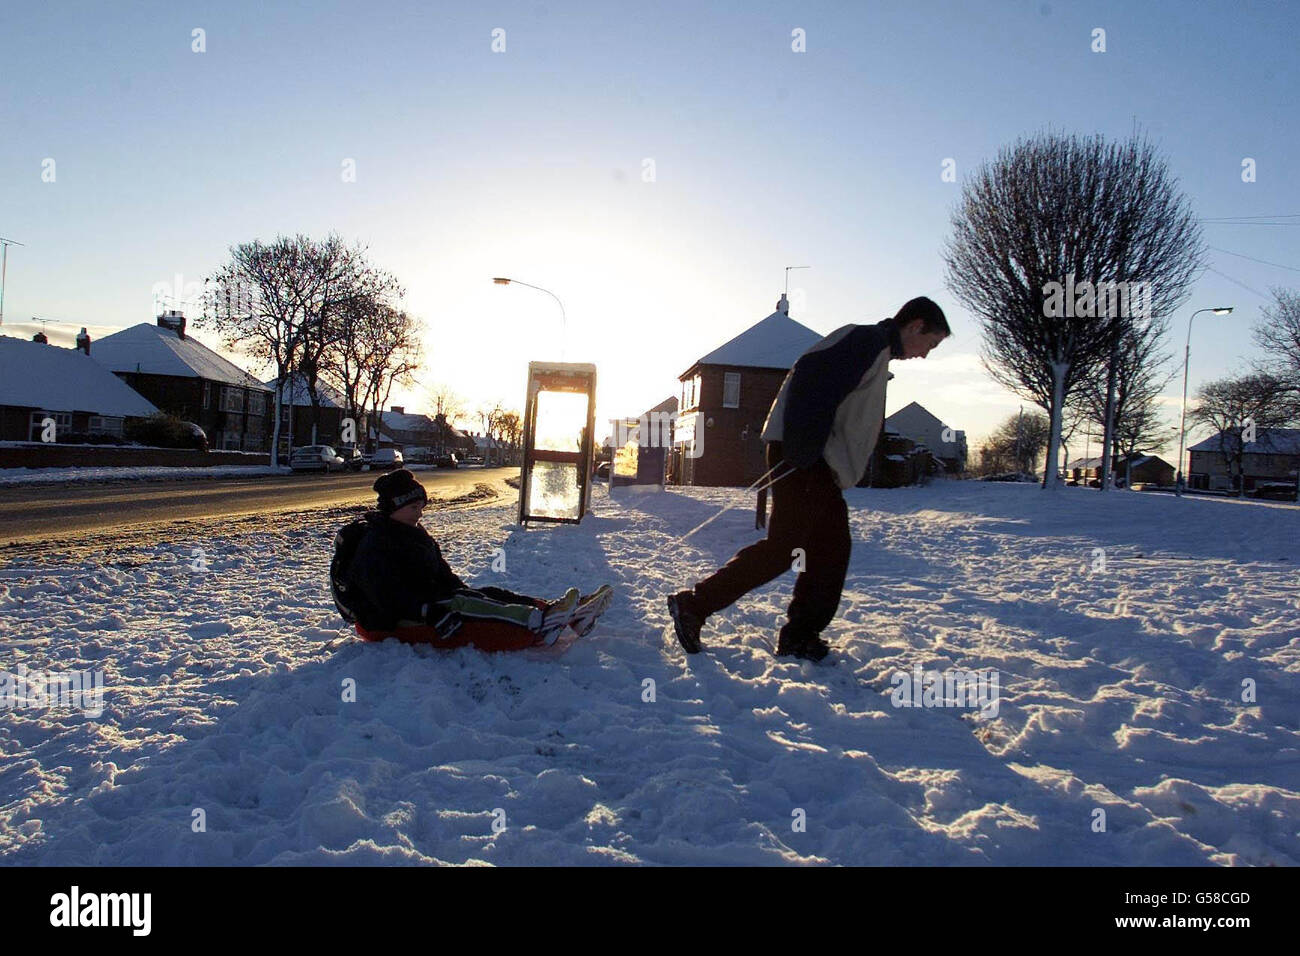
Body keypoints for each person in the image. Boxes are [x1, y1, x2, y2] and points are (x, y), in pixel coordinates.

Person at [667, 296, 951, 661]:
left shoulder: (875, 352)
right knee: (786, 548)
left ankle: (799, 635)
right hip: (804, 458)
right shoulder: (864, 342)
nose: (925, 354)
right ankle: (695, 605)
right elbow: (810, 377)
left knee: (829, 551)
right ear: (915, 326)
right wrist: (804, 451)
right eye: (930, 343)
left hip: (814, 460)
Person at [334, 469, 612, 650]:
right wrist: (427, 611)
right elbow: (386, 596)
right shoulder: (376, 543)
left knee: (487, 594)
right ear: (393, 508)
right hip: (390, 622)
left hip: (426, 602)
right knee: (468, 608)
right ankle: (539, 623)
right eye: (413, 507)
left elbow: (440, 572)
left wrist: (459, 587)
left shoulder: (412, 533)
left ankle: (556, 611)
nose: (419, 514)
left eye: (421, 507)